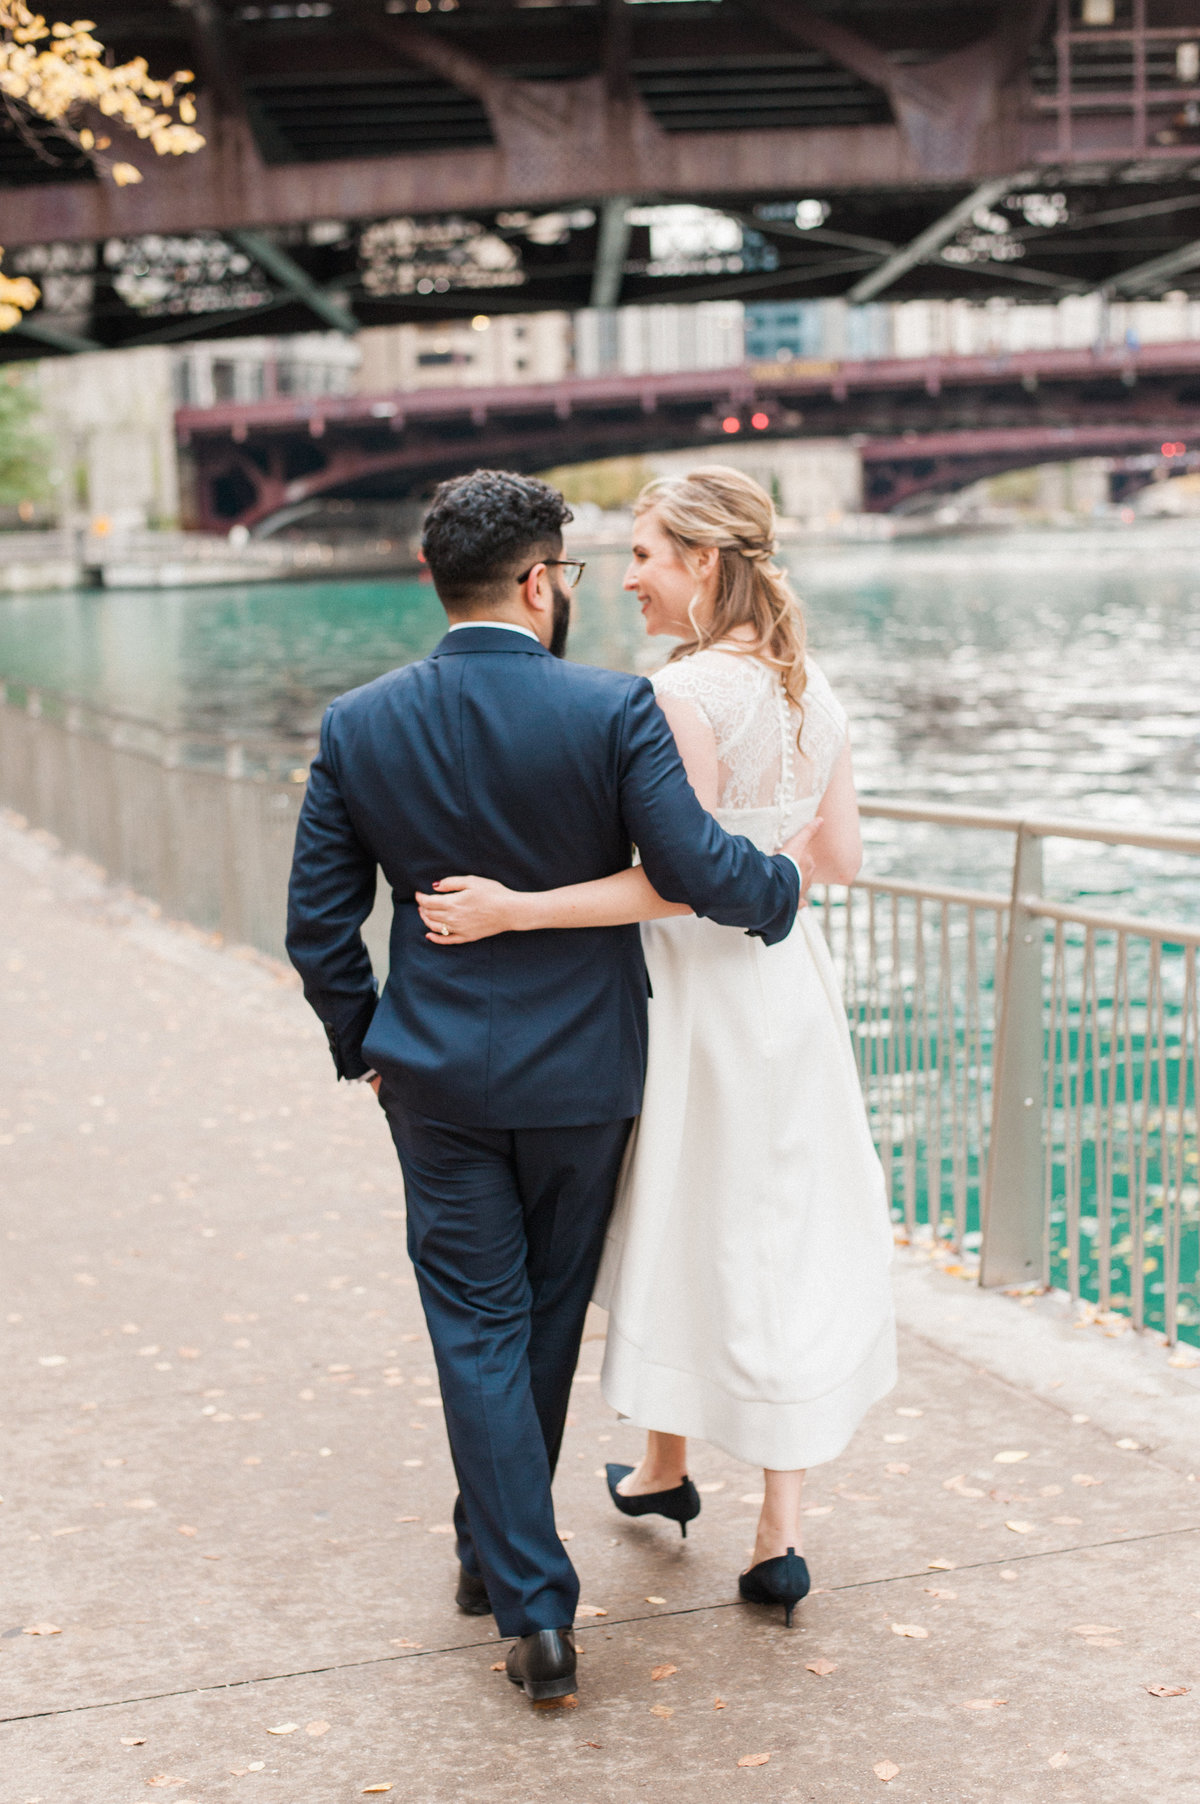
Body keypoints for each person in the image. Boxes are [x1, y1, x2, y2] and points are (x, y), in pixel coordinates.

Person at [285, 469, 817, 1704]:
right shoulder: (611, 708)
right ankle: (524, 1587)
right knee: (540, 1321)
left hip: (436, 1081)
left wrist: (367, 1040)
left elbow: (319, 929)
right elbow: (693, 867)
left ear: (436, 579)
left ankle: (508, 1571)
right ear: (538, 583)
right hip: (585, 1074)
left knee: (477, 1321)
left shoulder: (359, 723)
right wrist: (782, 892)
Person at [416, 467, 897, 1630]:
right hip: (787, 986)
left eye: (645, 555)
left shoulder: (680, 692)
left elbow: (671, 883)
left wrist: (516, 908)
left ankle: (670, 1464)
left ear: (706, 563)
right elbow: (834, 862)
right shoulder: (806, 685)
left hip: (689, 997)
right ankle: (759, 1520)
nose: (625, 577)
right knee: (773, 1223)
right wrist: (757, 856)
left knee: (683, 1214)